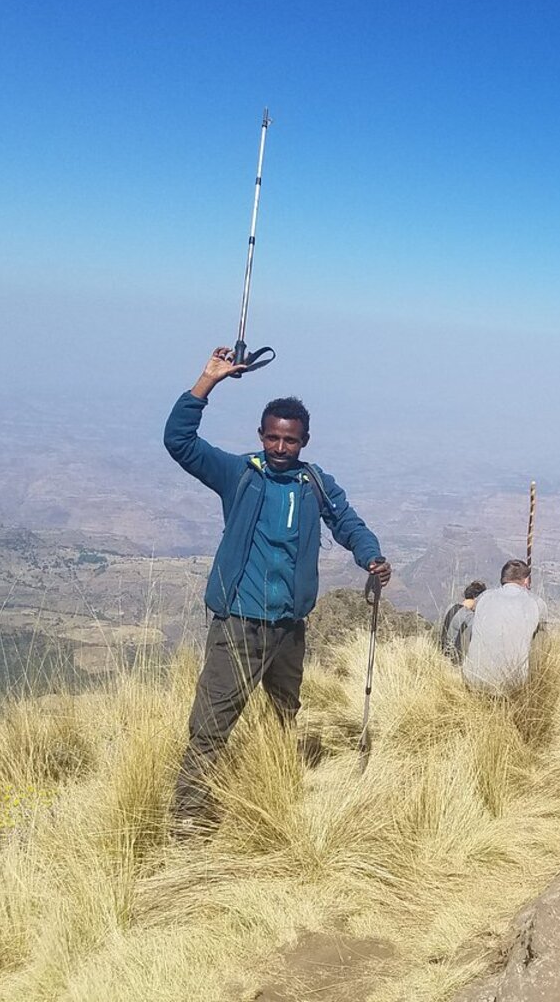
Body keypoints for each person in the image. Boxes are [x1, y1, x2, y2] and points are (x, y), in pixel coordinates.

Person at [164, 346, 390, 826]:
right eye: (272, 438)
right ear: (261, 435)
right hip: (238, 624)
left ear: (305, 441)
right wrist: (208, 380)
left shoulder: (315, 483)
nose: (280, 448)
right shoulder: (240, 474)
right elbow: (179, 441)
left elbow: (347, 523)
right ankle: (188, 818)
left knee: (282, 715)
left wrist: (371, 556)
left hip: (289, 627)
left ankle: (267, 796)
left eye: (290, 441)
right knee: (211, 725)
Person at [462, 559, 545, 694]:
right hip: (512, 687)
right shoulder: (536, 603)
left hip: (472, 680)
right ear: (526, 580)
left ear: (503, 579)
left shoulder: (483, 597)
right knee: (540, 634)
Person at [438, 580, 486, 664]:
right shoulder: (468, 617)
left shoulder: (451, 607)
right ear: (476, 598)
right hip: (455, 660)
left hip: (443, 655)